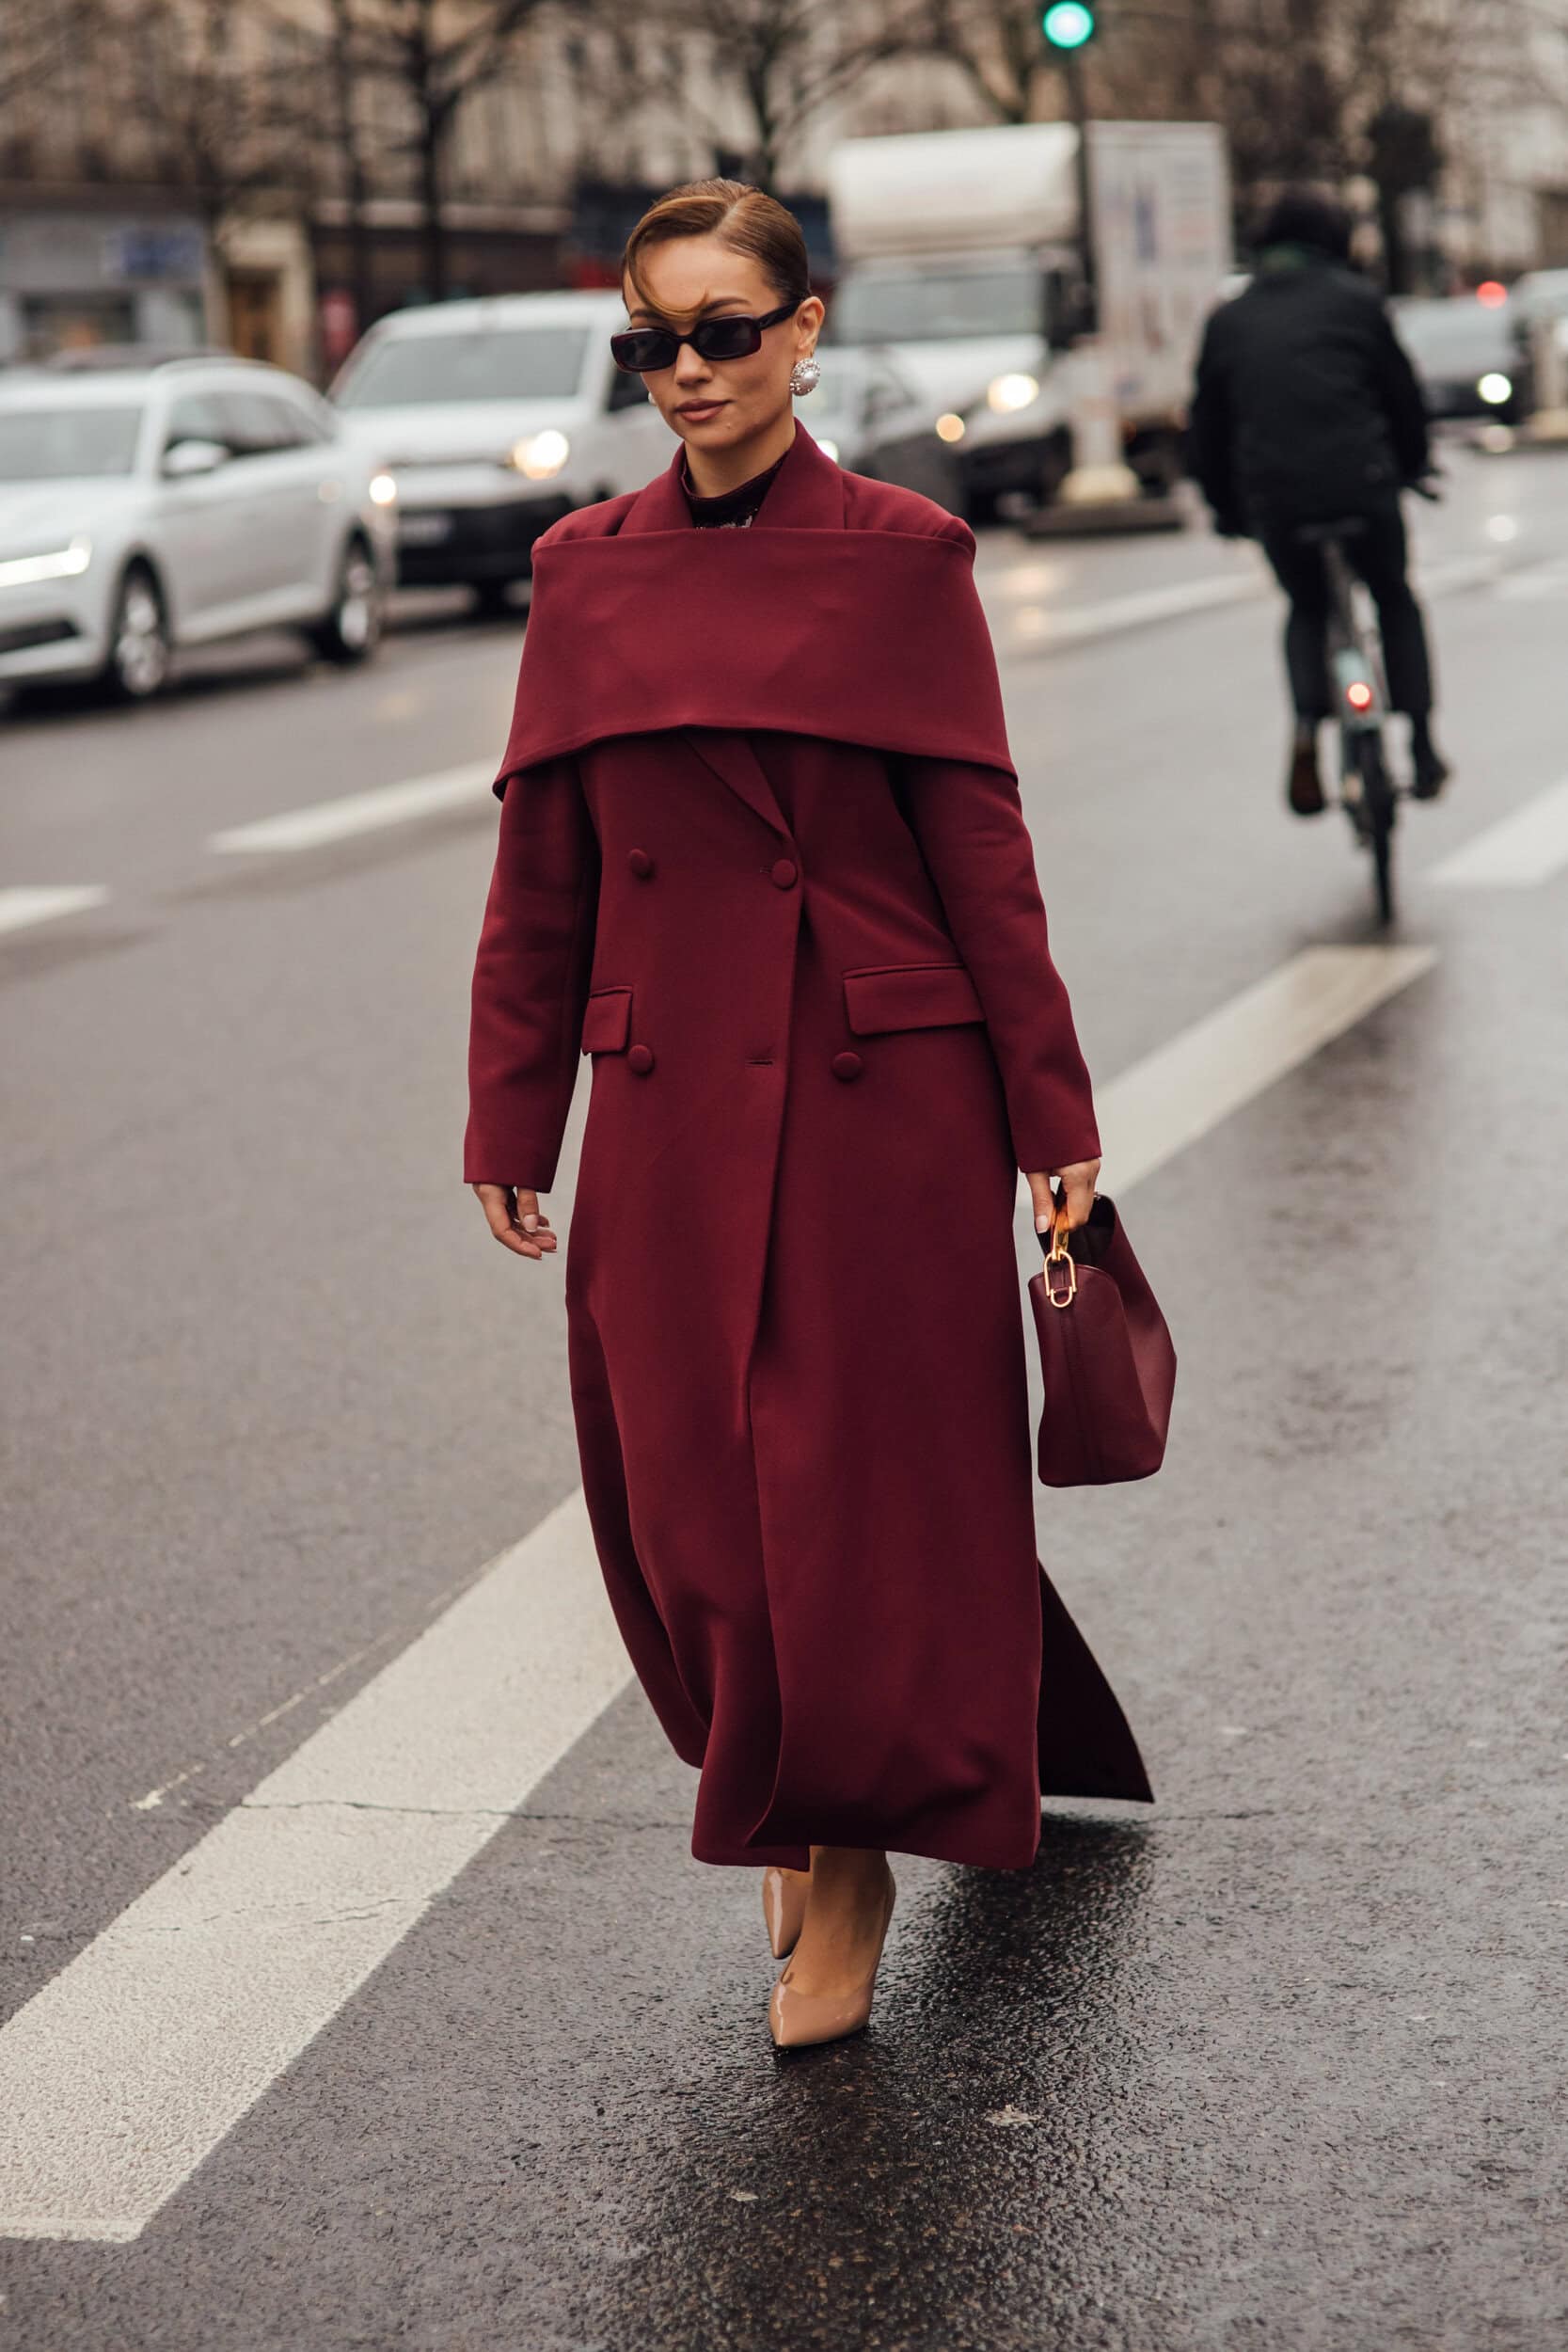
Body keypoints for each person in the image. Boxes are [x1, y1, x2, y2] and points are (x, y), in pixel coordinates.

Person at [465, 180, 1150, 2052]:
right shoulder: (583, 569)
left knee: (849, 1500)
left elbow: (977, 857)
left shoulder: (904, 554)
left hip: (879, 1105)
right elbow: (543, 867)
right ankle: (788, 1763)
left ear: (801, 331)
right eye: (649, 340)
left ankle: (837, 1844)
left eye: (720, 331)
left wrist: (1048, 1113)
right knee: (692, 1503)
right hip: (668, 1105)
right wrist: (511, 1110)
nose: (684, 370)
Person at [1190, 189, 1451, 814]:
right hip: (1362, 484)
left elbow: (1207, 431)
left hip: (1276, 499)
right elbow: (1400, 400)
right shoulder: (1357, 303)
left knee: (1307, 607)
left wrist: (1227, 509)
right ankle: (1419, 741)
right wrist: (1412, 466)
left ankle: (1307, 728)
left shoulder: (1229, 319)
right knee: (1391, 595)